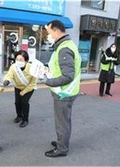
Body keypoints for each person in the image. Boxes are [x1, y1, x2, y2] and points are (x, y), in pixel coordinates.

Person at [42, 20, 81, 157]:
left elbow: (67, 76)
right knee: (64, 120)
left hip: (64, 93)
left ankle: (62, 148)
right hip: (67, 91)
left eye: (49, 32)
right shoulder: (66, 45)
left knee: (62, 122)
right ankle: (61, 142)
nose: (48, 35)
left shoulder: (64, 48)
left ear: (56, 31)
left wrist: (48, 81)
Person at [3, 50, 37, 128]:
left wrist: (24, 91)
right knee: (17, 102)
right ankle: (19, 116)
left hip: (28, 88)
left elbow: (33, 83)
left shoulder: (32, 68)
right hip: (18, 87)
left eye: (21, 60)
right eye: (17, 59)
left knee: (24, 103)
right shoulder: (13, 67)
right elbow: (9, 75)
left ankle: (25, 119)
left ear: (26, 60)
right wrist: (7, 80)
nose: (18, 61)